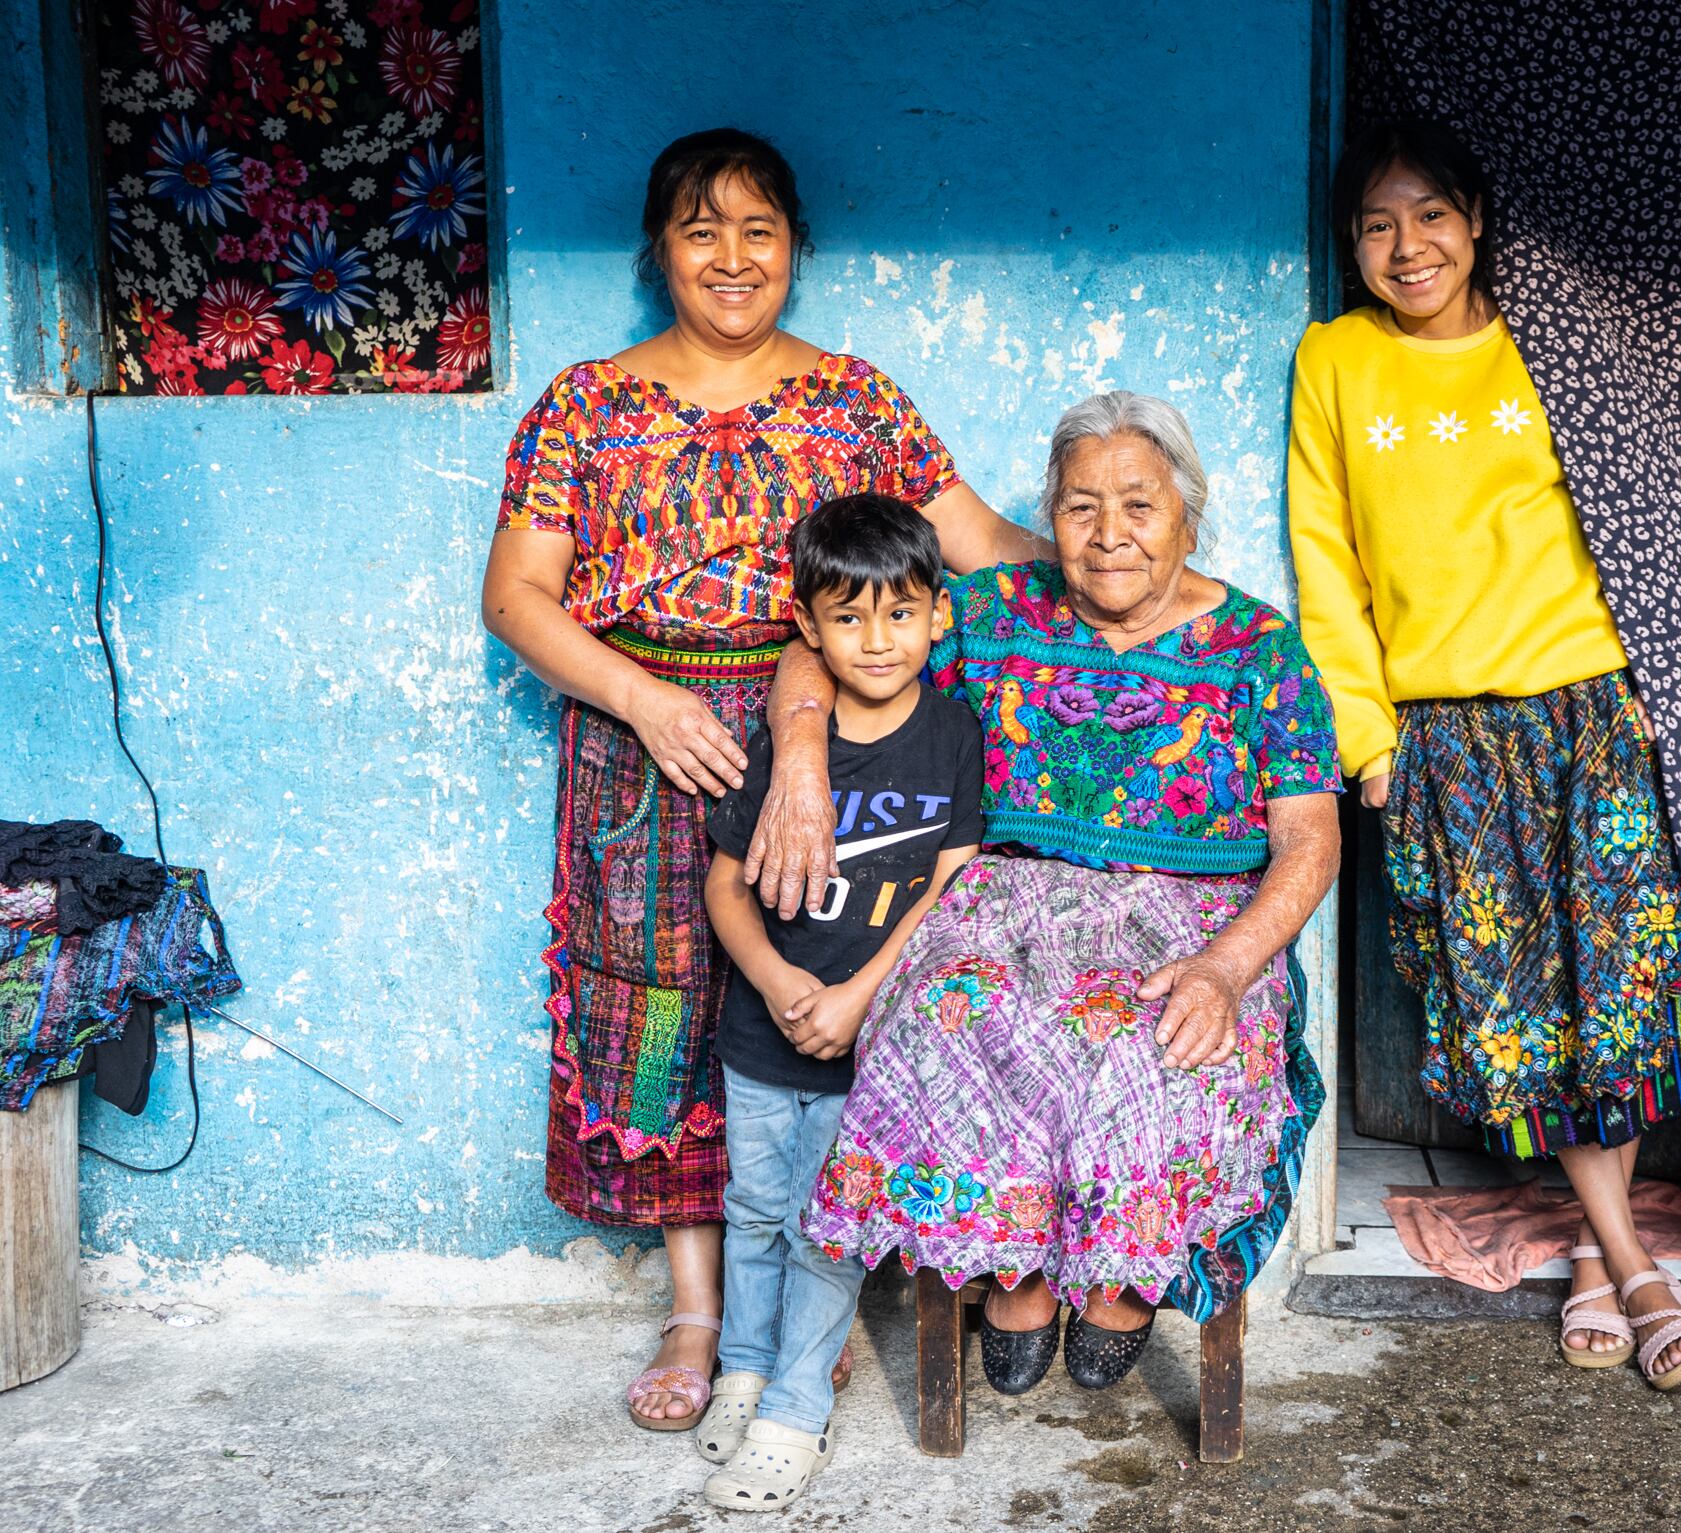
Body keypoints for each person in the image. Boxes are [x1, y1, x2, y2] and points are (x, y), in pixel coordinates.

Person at [480, 126, 1037, 1430]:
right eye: (699, 228)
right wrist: (645, 696)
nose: (732, 258)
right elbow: (515, 594)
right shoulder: (583, 404)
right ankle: (697, 1312)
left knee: (823, 1007)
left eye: (759, 230)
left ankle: (805, 1295)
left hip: (842, 743)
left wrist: (1126, 560)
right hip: (649, 751)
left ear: (795, 246)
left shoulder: (859, 400)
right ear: (656, 249)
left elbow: (981, 549)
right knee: (676, 1010)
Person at [777, 391, 1341, 1394]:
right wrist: (799, 761)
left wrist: (1224, 969)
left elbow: (1309, 839)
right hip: (1004, 900)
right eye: (1080, 507)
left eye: (1138, 506)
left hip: (1196, 919)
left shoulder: (1259, 650)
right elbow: (823, 648)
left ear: (1186, 515)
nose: (1107, 534)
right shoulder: (989, 610)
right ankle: (1016, 1261)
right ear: (1051, 514)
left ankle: (1122, 1283)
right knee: (952, 1011)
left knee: (1159, 1044)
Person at [1286, 120, 1681, 1388]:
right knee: (1506, 1004)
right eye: (1375, 224)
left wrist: (1661, 689)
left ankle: (1612, 1261)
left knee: (1617, 995)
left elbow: (1645, 511)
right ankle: (1618, 1252)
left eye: (1427, 215)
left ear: (1475, 219)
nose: (1404, 246)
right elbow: (1327, 562)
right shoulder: (1336, 362)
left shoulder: (1553, 350)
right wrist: (1364, 737)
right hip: (1441, 734)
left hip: (1586, 712)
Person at [691, 494, 981, 1508]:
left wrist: (860, 994)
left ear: (936, 616)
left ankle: (795, 1412)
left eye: (899, 613)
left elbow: (950, 889)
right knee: (755, 1212)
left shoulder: (952, 737)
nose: (876, 639)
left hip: (873, 1043)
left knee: (826, 1227)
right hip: (760, 1038)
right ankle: (741, 1371)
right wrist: (776, 982)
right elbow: (726, 887)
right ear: (806, 626)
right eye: (848, 618)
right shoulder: (781, 744)